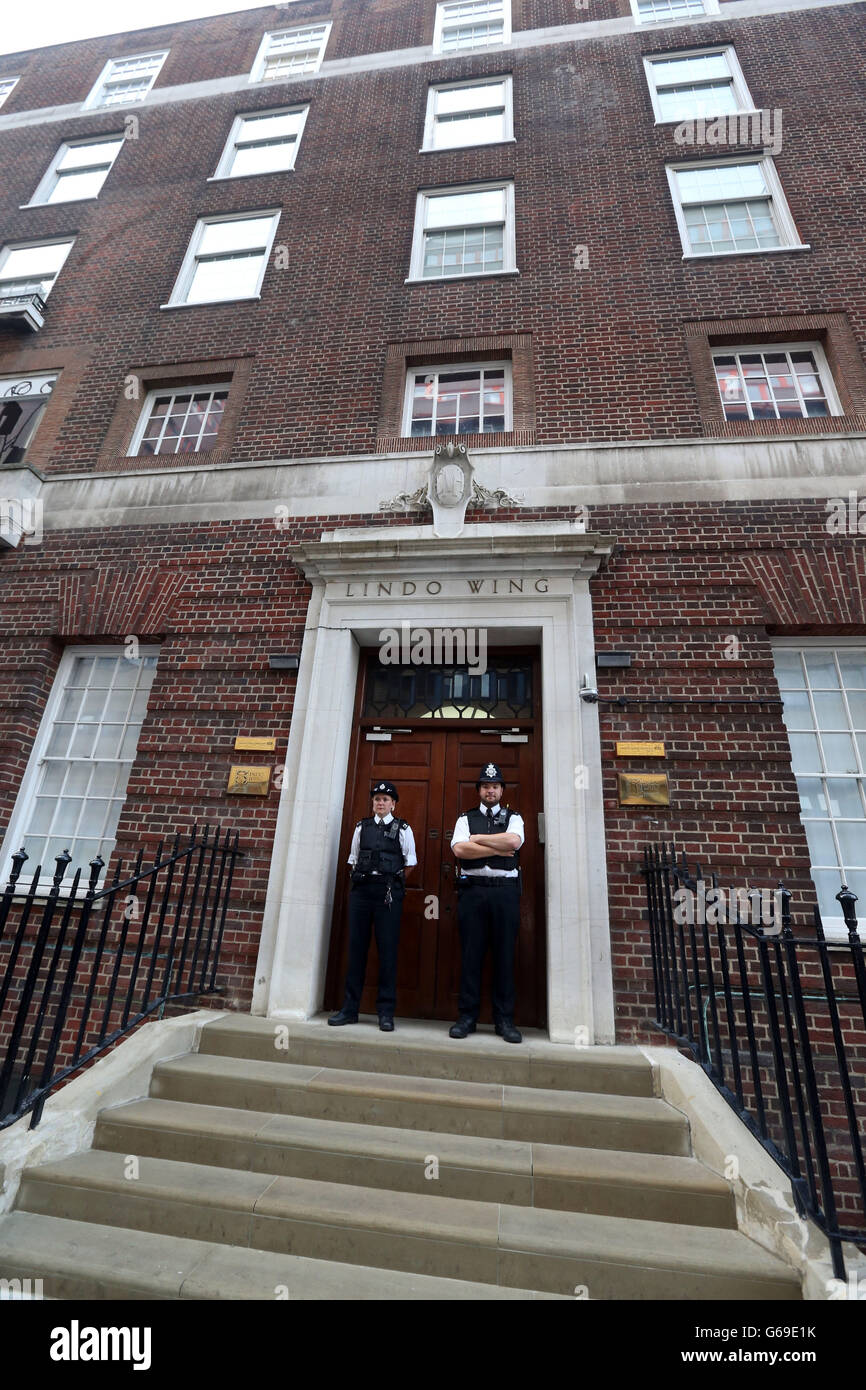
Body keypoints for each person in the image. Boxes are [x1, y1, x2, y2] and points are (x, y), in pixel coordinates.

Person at [328, 780, 416, 1032]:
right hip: (362, 893)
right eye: (377, 799)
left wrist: (391, 884)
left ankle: (386, 1012)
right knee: (356, 951)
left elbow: (410, 862)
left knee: (387, 952)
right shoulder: (361, 827)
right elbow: (353, 859)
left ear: (393, 804)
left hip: (388, 894)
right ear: (373, 803)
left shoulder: (403, 828)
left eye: (385, 800)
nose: (380, 803)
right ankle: (349, 1009)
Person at [449, 763, 525, 1044]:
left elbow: (514, 843)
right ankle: (467, 1017)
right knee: (471, 955)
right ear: (479, 791)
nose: (489, 790)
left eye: (494, 786)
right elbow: (460, 850)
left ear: (502, 790)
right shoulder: (465, 818)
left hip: (505, 892)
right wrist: (498, 846)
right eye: (485, 786)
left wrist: (479, 839)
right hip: (474, 892)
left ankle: (504, 1020)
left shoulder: (514, 817)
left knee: (505, 956)